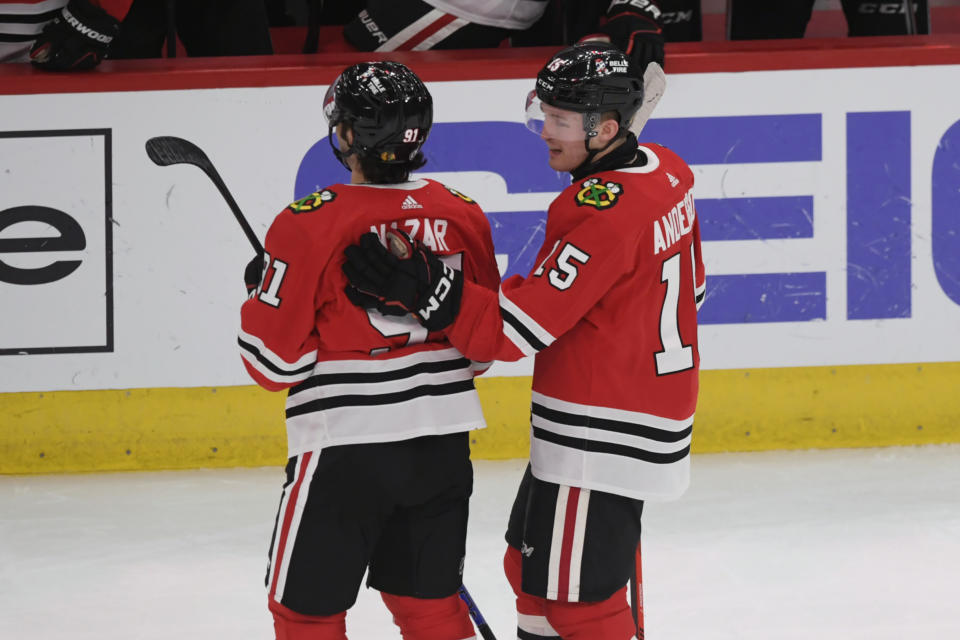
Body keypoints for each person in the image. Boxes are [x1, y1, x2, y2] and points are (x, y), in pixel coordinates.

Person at [341, 42, 705, 640]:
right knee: (532, 574)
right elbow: (694, 290)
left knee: (579, 605)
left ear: (606, 128)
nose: (545, 131)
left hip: (600, 431)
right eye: (545, 112)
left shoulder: (600, 211)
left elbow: (514, 331)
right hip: (635, 412)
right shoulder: (668, 171)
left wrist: (429, 287)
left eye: (561, 121)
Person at [238, 61, 501, 640]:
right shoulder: (463, 213)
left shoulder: (309, 223)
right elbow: (480, 349)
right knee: (429, 607)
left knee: (305, 614)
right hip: (441, 446)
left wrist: (263, 293)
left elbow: (271, 365)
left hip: (344, 451)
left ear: (348, 135)